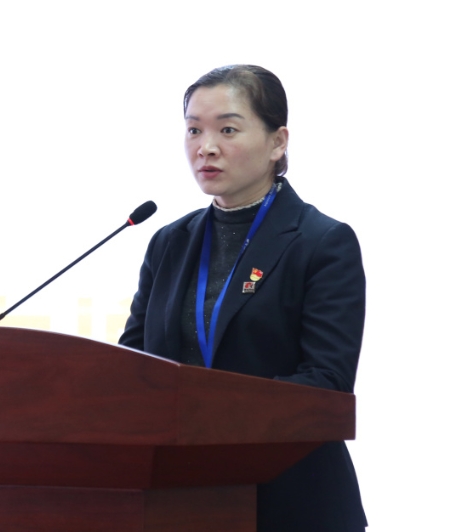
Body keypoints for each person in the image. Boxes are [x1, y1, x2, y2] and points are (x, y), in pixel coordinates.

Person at [119, 65, 368, 531]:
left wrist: (210, 416)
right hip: (179, 500)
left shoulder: (322, 243)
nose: (205, 147)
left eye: (227, 129)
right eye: (194, 130)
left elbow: (327, 382)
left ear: (277, 142)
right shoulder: (169, 242)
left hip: (290, 501)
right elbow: (132, 366)